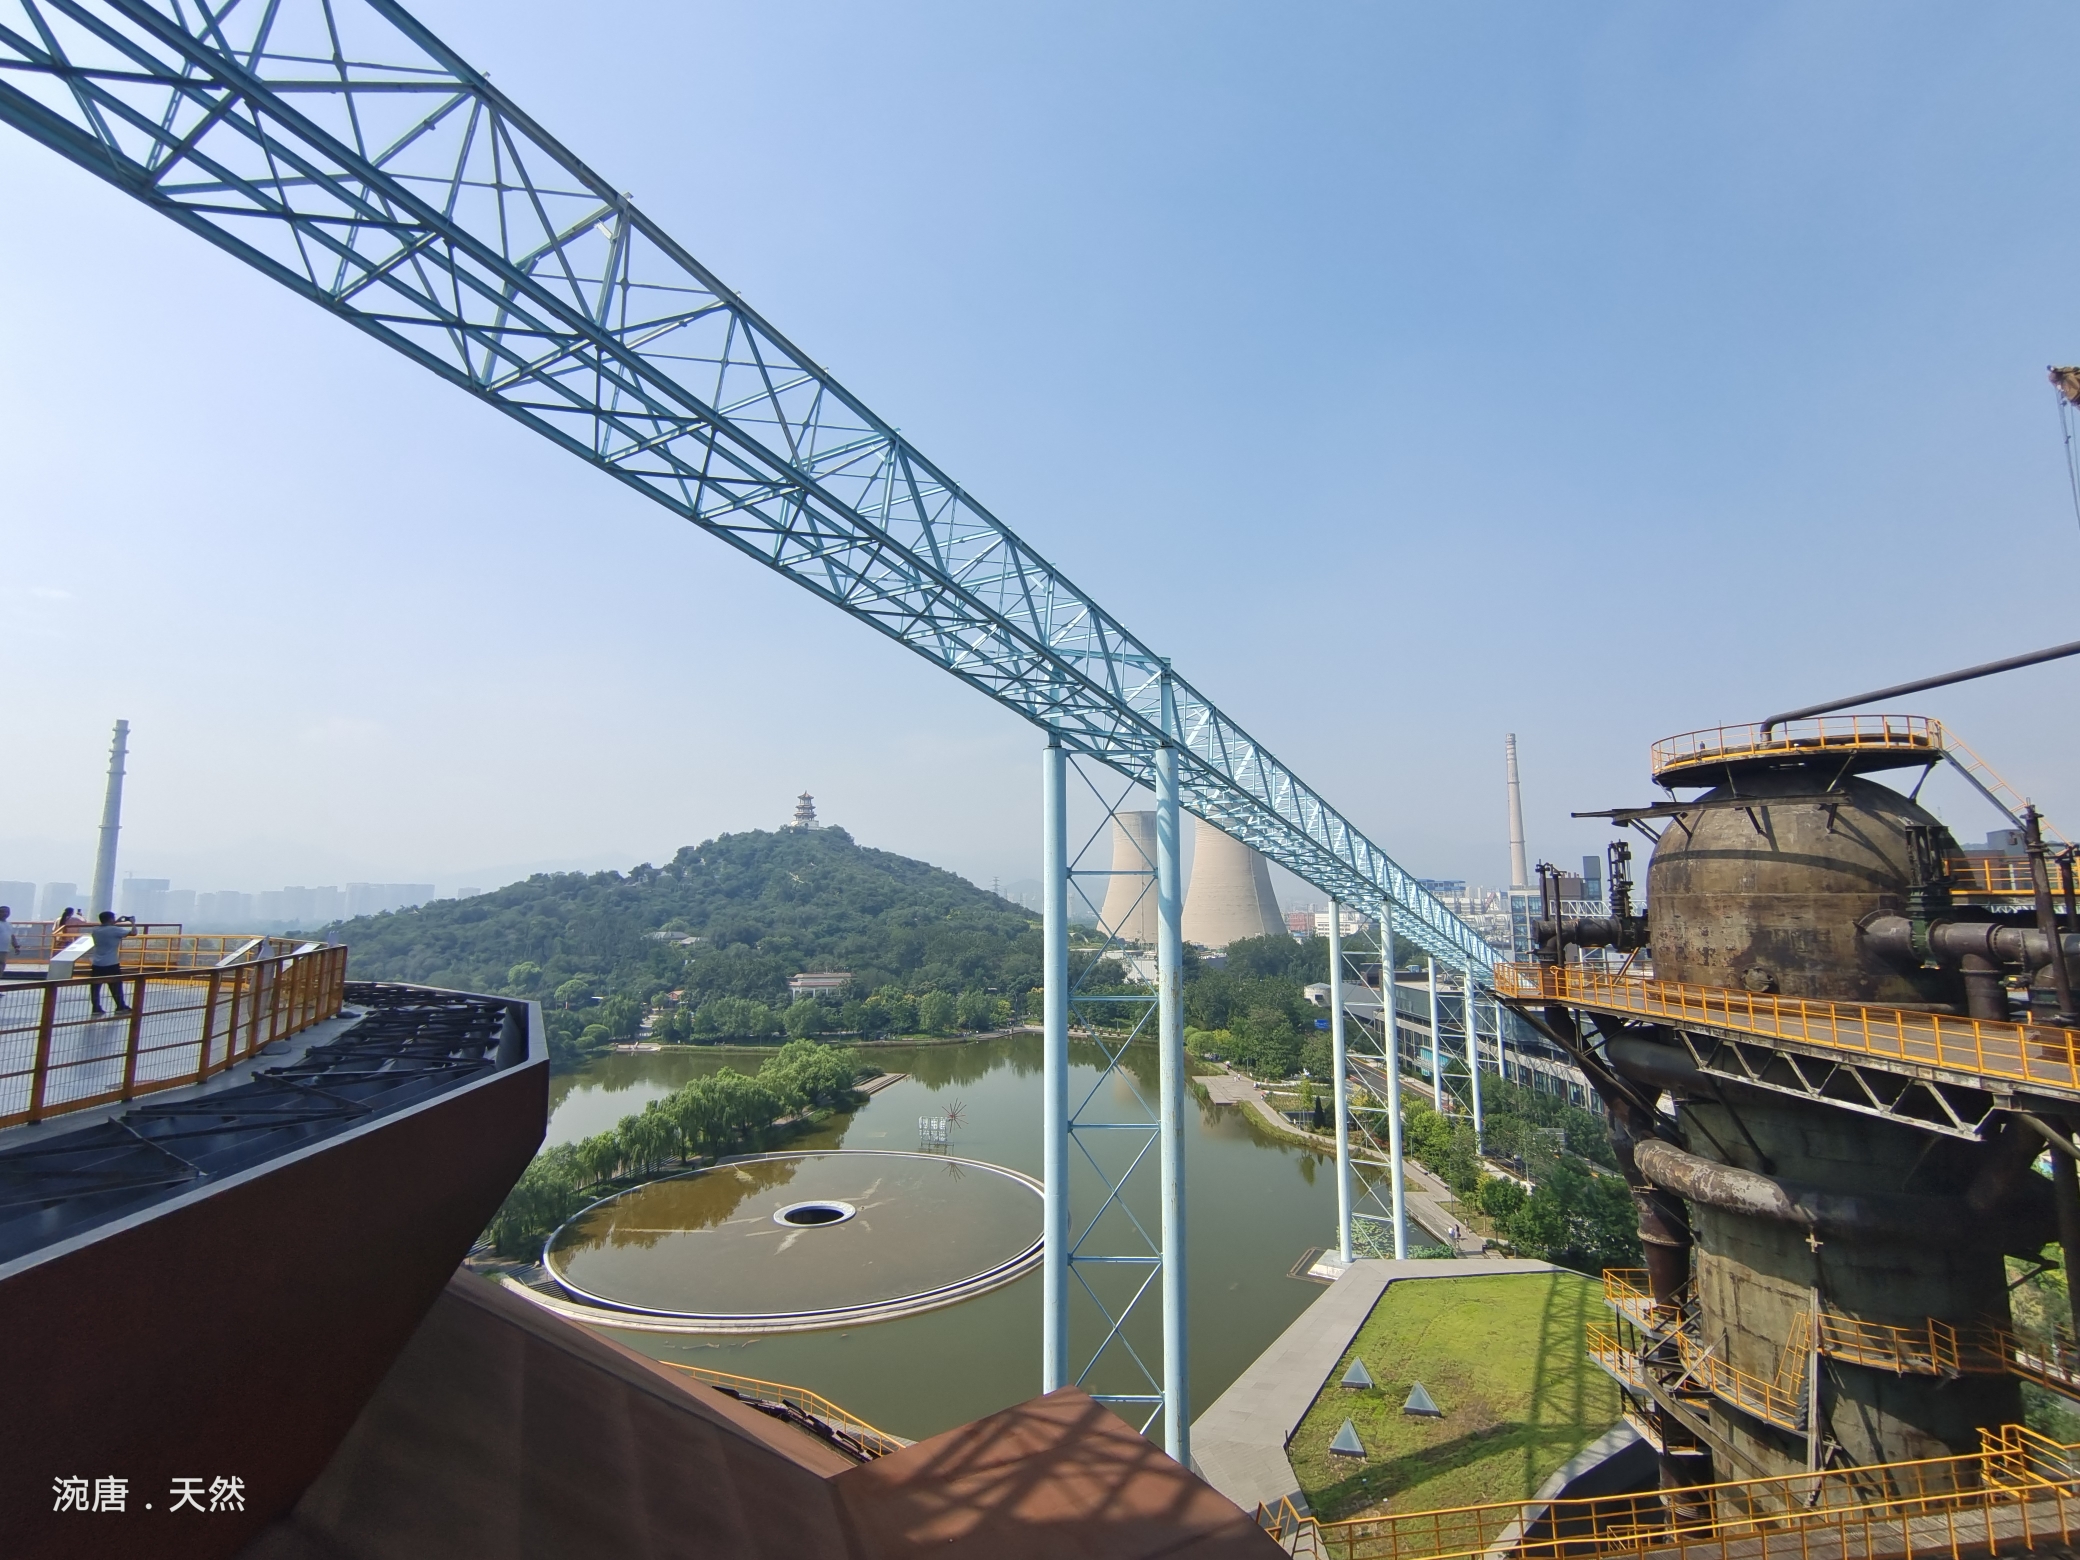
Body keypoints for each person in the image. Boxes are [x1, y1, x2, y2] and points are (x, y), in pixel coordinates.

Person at [85, 911, 134, 1016]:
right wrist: (132, 922)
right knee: (116, 986)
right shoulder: (114, 930)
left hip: (97, 963)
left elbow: (106, 928)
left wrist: (116, 922)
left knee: (95, 987)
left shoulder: (95, 930)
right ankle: (120, 1006)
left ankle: (96, 1008)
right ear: (111, 919)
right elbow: (133, 932)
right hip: (111, 963)